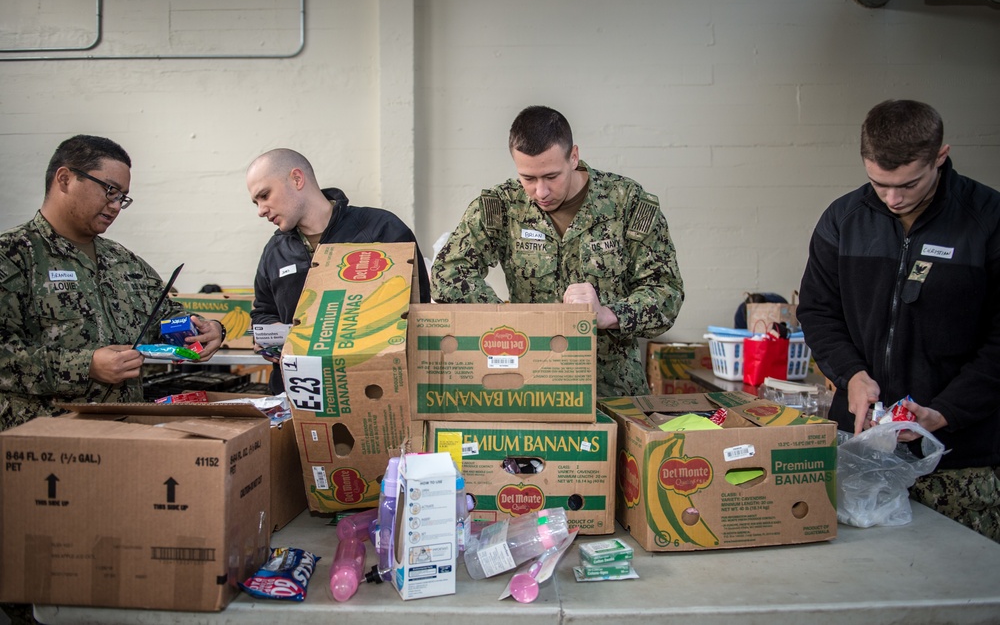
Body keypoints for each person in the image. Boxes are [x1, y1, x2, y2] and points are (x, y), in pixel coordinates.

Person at [798, 99, 1000, 543]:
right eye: (879, 184)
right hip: (860, 452)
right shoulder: (843, 219)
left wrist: (946, 412)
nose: (892, 199)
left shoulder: (987, 219)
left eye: (908, 184)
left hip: (961, 461)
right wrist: (850, 374)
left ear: (940, 156)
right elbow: (817, 311)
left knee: (964, 587)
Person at [431, 105, 684, 396]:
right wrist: (504, 317)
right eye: (528, 178)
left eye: (551, 176)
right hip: (529, 387)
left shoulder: (627, 203)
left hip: (611, 392)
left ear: (573, 157)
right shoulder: (502, 206)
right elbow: (447, 273)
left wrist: (608, 314)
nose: (541, 192)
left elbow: (667, 293)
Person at [0, 135, 225, 431]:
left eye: (123, 197)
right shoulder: (13, 256)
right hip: (44, 442)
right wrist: (87, 366)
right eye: (110, 191)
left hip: (123, 435)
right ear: (65, 179)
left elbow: (166, 316)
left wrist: (207, 329)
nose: (116, 205)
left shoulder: (122, 260)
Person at [247, 148, 431, 394]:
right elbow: (263, 312)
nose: (261, 210)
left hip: (374, 390)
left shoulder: (380, 230)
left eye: (265, 195)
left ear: (297, 179)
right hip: (300, 393)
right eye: (256, 202)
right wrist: (271, 339)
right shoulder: (275, 251)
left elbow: (416, 308)